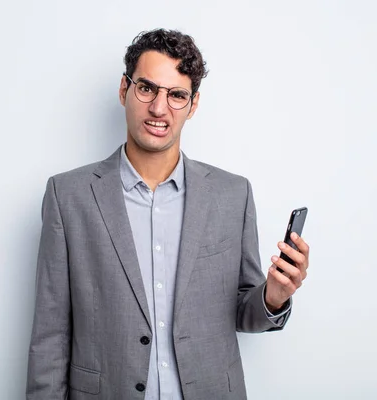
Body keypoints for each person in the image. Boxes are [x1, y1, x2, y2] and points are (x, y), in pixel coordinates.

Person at [26, 28, 310, 400]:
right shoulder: (68, 196)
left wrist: (273, 296)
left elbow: (243, 312)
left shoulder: (232, 194)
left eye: (176, 95)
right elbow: (51, 333)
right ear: (124, 89)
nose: (159, 109)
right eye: (147, 89)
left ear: (192, 105)